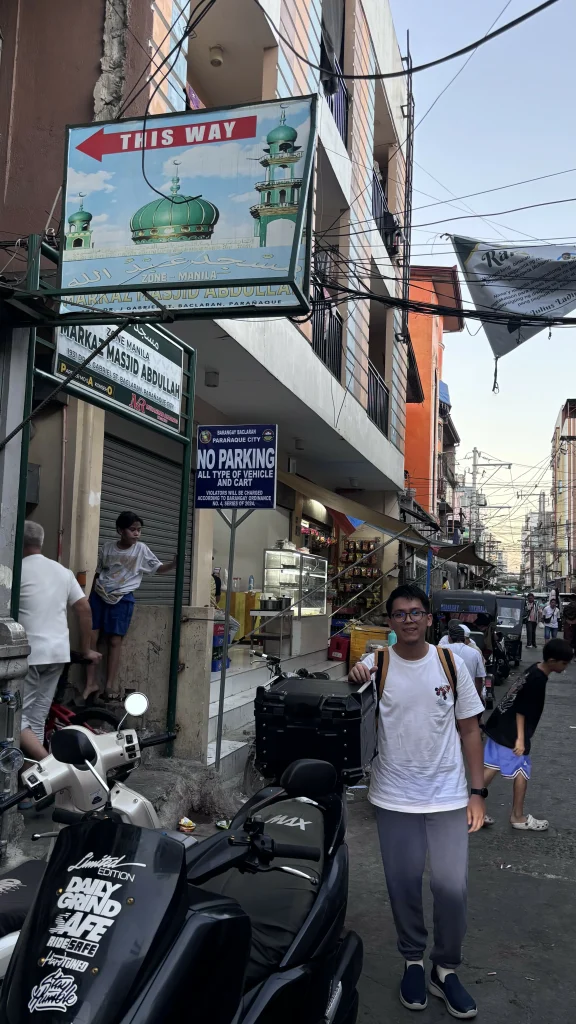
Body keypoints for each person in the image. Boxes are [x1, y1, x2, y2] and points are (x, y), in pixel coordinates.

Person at [348, 584, 485, 1018]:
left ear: (429, 619)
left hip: (446, 795)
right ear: (389, 622)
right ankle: (412, 960)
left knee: (452, 888)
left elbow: (470, 730)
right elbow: (353, 713)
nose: (408, 619)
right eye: (400, 613)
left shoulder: (450, 662)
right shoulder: (377, 664)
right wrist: (353, 677)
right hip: (394, 796)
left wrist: (477, 793)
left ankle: (444, 969)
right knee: (403, 886)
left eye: (416, 612)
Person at [18, 521, 101, 761]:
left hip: (28, 654)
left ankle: (48, 768)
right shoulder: (62, 572)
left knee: (16, 719)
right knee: (36, 718)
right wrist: (86, 649)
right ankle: (29, 784)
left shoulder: (14, 570)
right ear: (41, 542)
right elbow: (84, 608)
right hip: (57, 654)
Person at [84, 511, 176, 701]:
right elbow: (98, 571)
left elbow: (158, 568)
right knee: (91, 638)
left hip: (122, 597)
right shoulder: (108, 548)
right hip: (99, 595)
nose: (136, 534)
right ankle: (90, 682)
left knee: (114, 641)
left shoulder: (141, 550)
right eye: (132, 530)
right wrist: (91, 595)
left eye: (139, 530)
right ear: (120, 530)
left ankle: (108, 686)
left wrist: (174, 564)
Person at [483, 637, 572, 831]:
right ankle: (517, 816)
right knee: (522, 770)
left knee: (492, 766)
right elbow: (523, 709)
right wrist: (521, 739)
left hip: (500, 724)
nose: (565, 667)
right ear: (552, 661)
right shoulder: (538, 679)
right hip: (512, 732)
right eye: (563, 663)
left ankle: (468, 808)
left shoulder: (534, 669)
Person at [439, 620, 486, 700]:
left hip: (447, 694)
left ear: (449, 638)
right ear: (464, 638)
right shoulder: (475, 652)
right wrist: (478, 697)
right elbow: (479, 679)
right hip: (468, 695)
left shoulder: (441, 650)